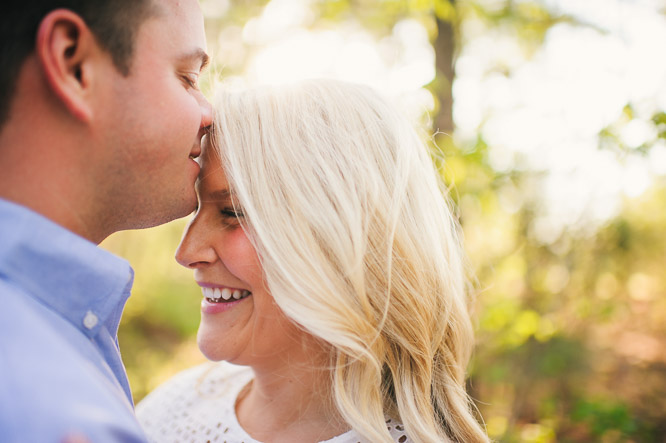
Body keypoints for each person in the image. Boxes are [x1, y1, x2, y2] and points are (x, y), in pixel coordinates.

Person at [137, 80, 489, 443]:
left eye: (232, 212)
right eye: (196, 210)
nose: (187, 252)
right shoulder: (173, 410)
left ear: (339, 238)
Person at [0, 0, 211, 441]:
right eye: (188, 78)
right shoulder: (53, 414)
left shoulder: (59, 334)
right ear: (73, 64)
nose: (208, 113)